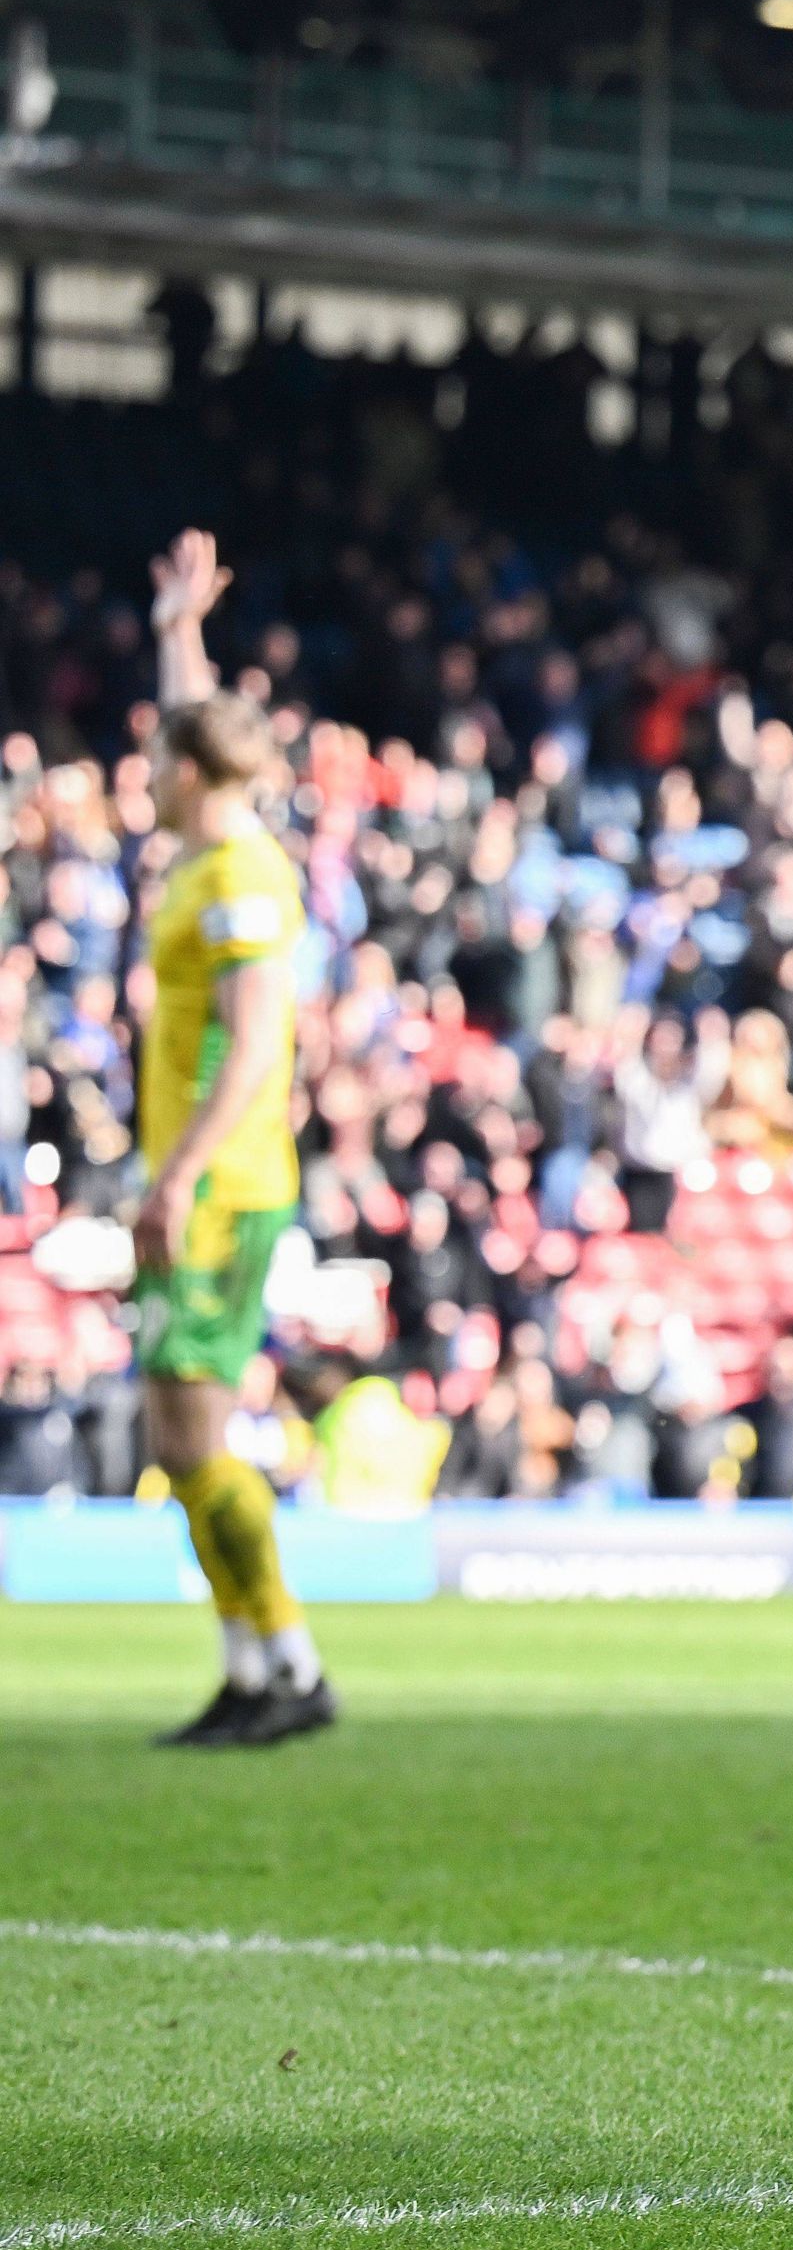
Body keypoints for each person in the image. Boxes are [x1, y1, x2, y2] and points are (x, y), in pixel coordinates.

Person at [133, 531, 340, 1749]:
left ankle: (292, 1664)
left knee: (195, 1436)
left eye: (159, 754)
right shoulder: (209, 851)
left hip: (220, 1186)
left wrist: (180, 1171)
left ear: (189, 772)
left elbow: (259, 1045)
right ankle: (248, 1666)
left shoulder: (243, 880)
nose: (143, 764)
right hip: (196, 1181)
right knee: (177, 1438)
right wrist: (176, 634)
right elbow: (191, 723)